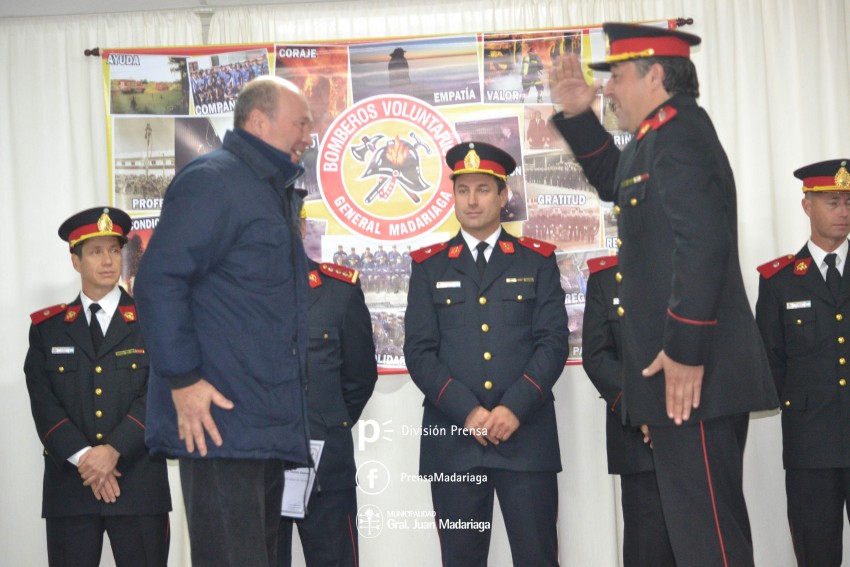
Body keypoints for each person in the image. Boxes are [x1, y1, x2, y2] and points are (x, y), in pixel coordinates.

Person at [549, 23, 778, 566]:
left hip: (693, 376)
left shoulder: (681, 137)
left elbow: (703, 246)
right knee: (695, 531)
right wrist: (579, 115)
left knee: (709, 537)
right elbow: (612, 179)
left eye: (617, 77)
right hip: (679, 378)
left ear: (655, 75)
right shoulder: (656, 139)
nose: (609, 89)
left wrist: (683, 353)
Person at [133, 75, 314, 567]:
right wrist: (184, 379)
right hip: (218, 426)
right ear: (259, 121)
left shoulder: (267, 191)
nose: (307, 136)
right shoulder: (213, 181)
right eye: (300, 123)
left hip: (258, 427)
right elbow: (157, 283)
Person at [403, 141, 569, 566]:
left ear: (503, 195)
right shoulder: (429, 267)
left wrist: (513, 408)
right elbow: (419, 352)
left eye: (482, 189)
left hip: (526, 439)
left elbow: (552, 343)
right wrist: (468, 412)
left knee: (537, 558)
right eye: (462, 190)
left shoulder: (537, 262)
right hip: (454, 443)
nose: (471, 200)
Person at [24, 207, 171, 567]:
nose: (108, 260)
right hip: (71, 488)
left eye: (113, 250)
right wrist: (86, 458)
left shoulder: (153, 320)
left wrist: (114, 451)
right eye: (95, 251)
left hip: (137, 484)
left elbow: (160, 392)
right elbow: (44, 403)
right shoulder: (48, 329)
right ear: (75, 260)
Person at [755, 159, 850, 566]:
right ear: (807, 205)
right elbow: (769, 362)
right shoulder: (779, 281)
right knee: (816, 555)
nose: (844, 211)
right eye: (833, 202)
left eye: (848, 201)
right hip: (811, 447)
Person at [279, 204, 378, 567]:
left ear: (303, 227)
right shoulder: (237, 297)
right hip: (257, 469)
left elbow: (360, 377)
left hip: (326, 466)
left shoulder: (339, 291)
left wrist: (325, 423)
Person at [582, 255, 674, 567]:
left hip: (696, 436)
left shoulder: (698, 269)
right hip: (639, 443)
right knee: (647, 551)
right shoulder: (606, 279)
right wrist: (643, 411)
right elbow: (597, 356)